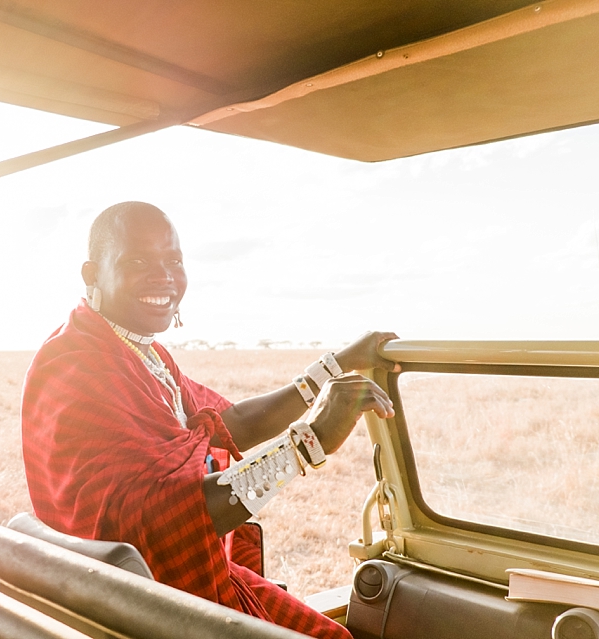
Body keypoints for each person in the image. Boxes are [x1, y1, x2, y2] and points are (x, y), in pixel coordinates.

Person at [21, 201, 399, 639]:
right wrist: (307, 443)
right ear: (91, 274)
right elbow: (160, 521)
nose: (163, 276)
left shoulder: (139, 352)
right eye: (138, 261)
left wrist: (337, 363)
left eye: (173, 261)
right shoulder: (79, 365)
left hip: (168, 586)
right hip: (145, 609)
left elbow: (231, 421)